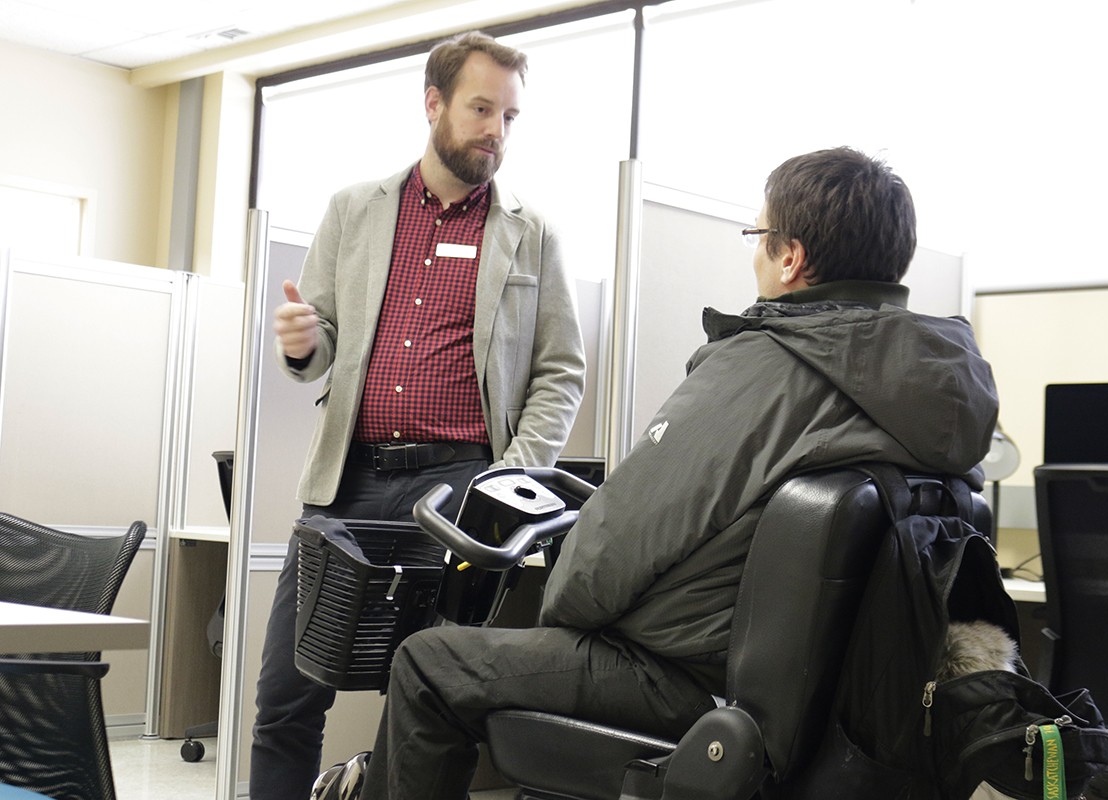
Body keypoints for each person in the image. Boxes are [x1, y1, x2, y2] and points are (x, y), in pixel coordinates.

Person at [357, 146, 999, 799]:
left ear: (790, 258)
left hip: (689, 684)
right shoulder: (938, 390)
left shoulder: (761, 369)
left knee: (429, 663)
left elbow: (595, 573)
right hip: (826, 715)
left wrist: (562, 596)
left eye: (758, 236)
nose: (755, 254)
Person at [252, 30, 586, 800]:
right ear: (433, 103)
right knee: (286, 692)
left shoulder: (530, 232)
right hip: (349, 485)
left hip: (460, 494)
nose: (495, 132)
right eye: (480, 109)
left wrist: (511, 476)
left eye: (509, 117)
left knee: (417, 701)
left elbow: (559, 372)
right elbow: (321, 339)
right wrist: (305, 344)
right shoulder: (356, 210)